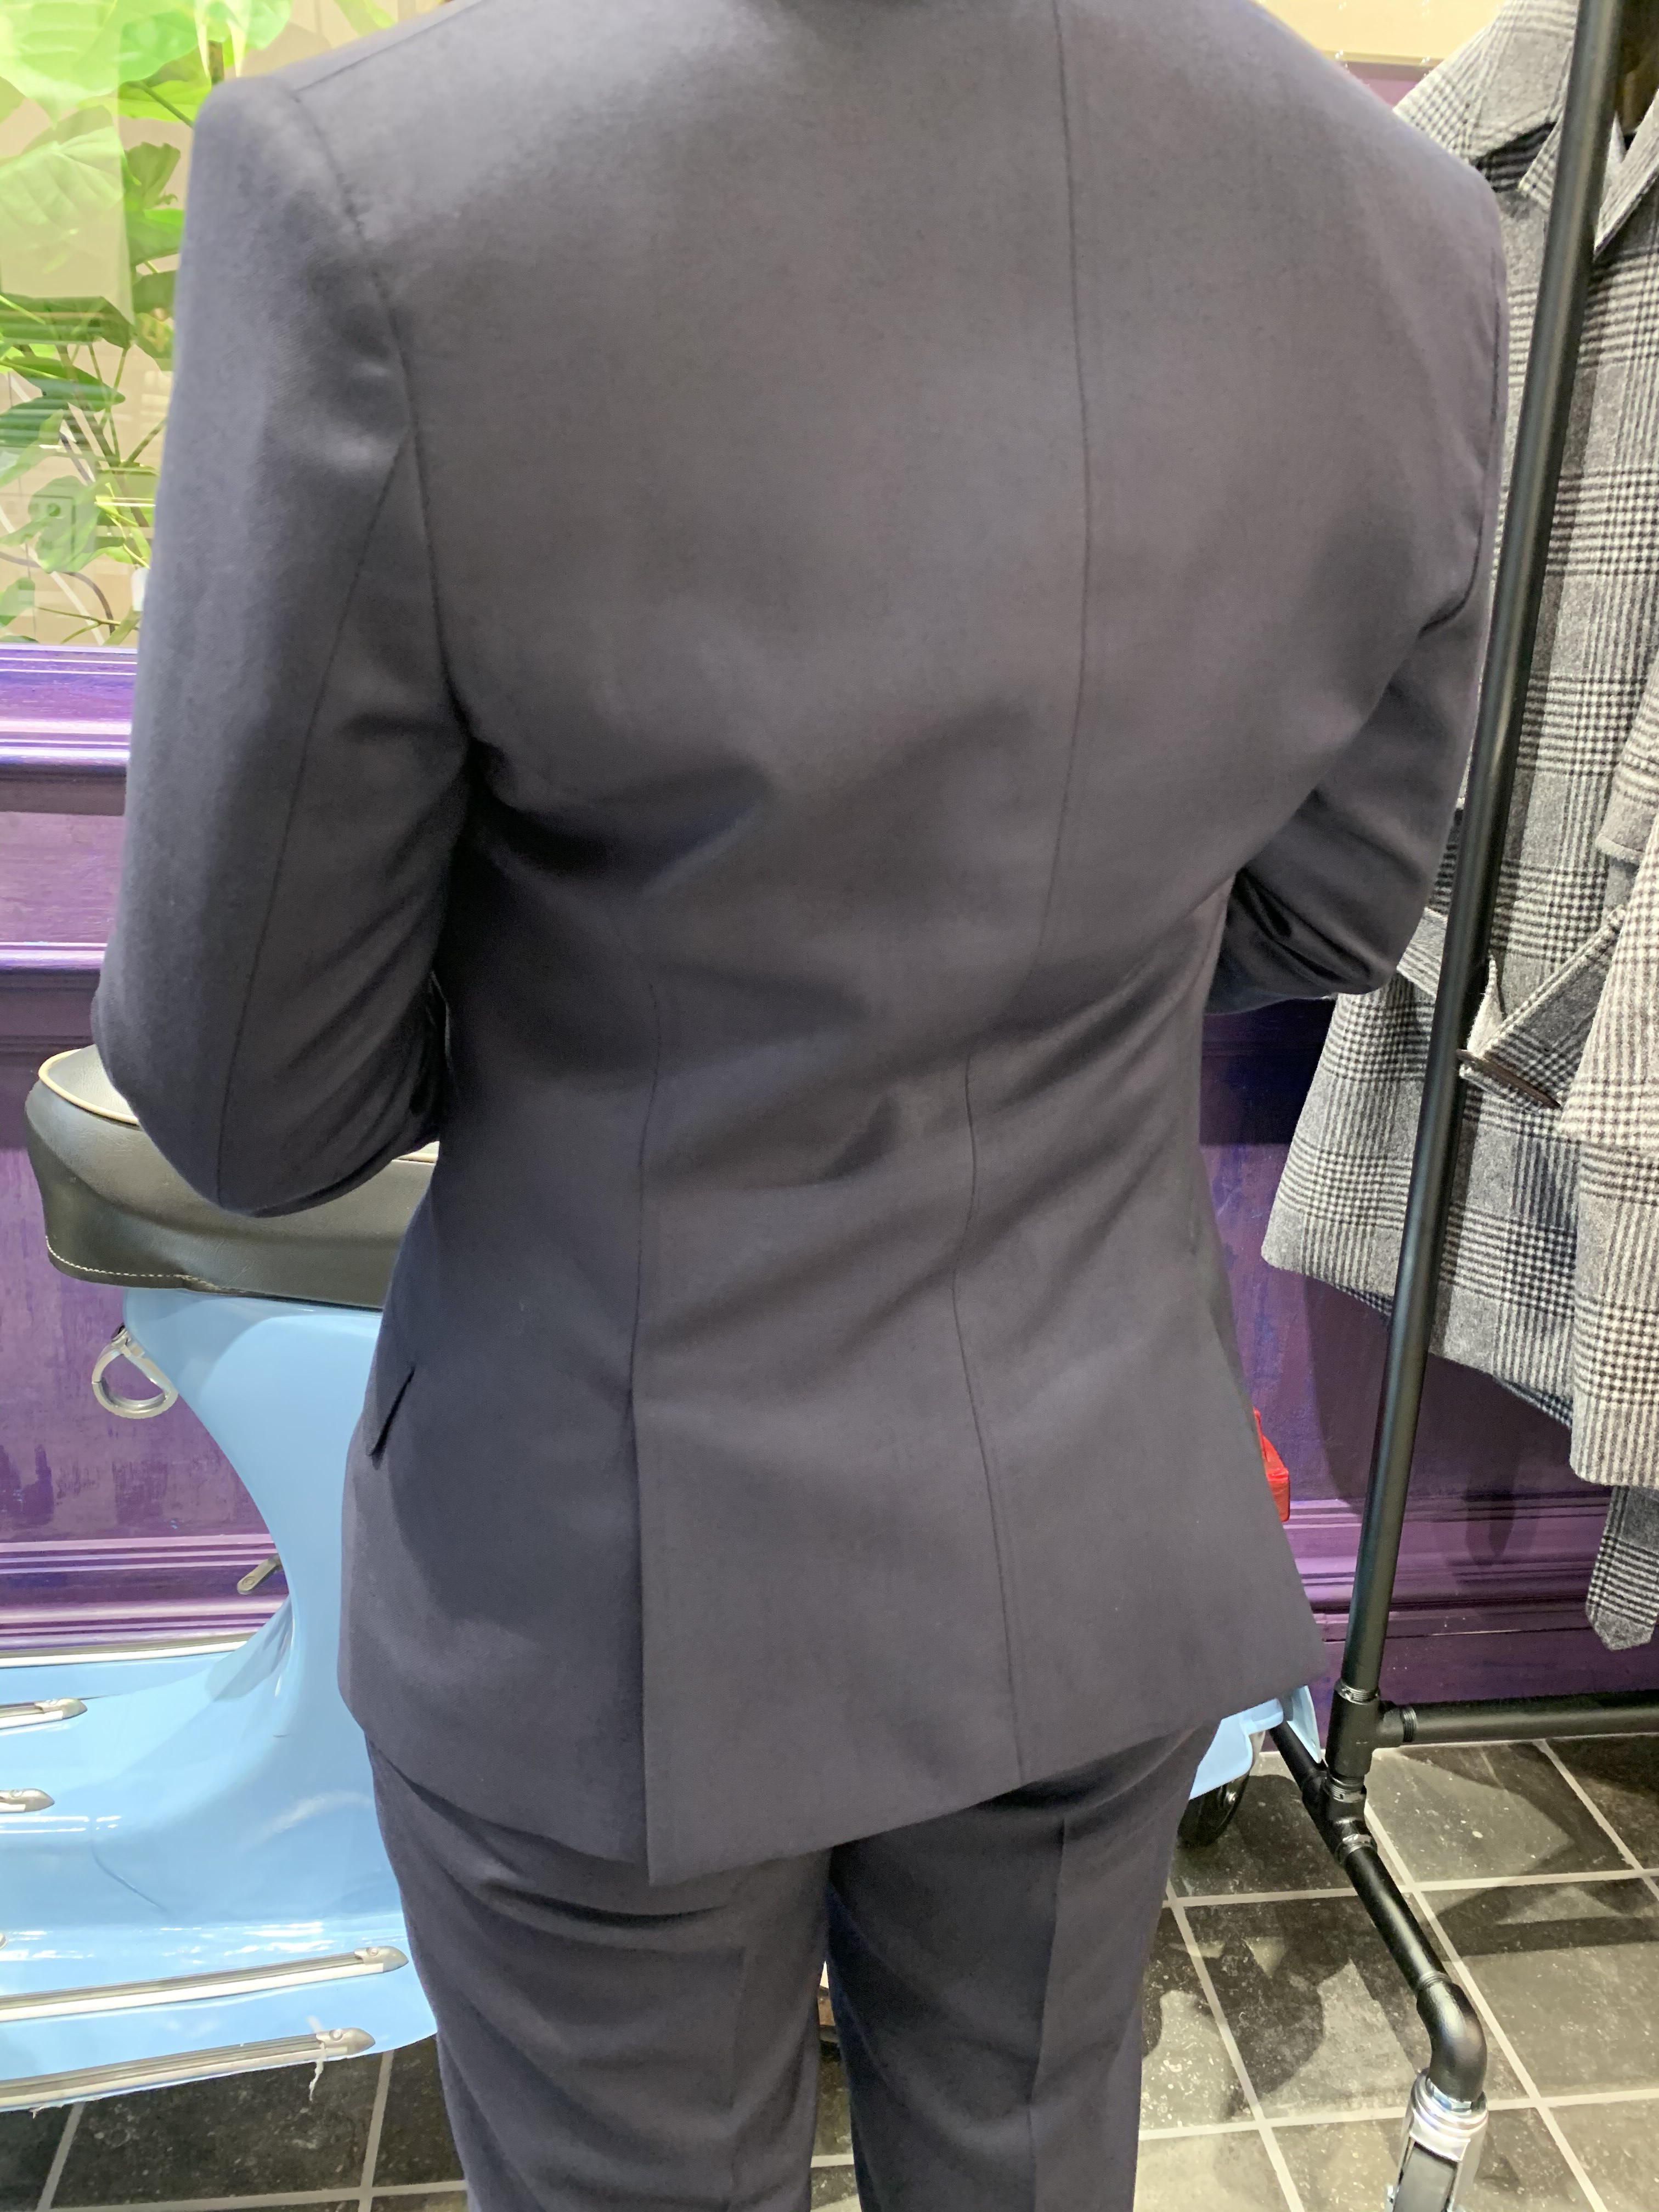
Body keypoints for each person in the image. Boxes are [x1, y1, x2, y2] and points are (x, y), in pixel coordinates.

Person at [93, 1, 1506, 2205]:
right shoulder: (1410, 220)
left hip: (609, 1564)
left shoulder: (376, 197)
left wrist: (627, 1012)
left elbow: (252, 1105)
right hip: (1099, 1499)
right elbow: (1332, 907)